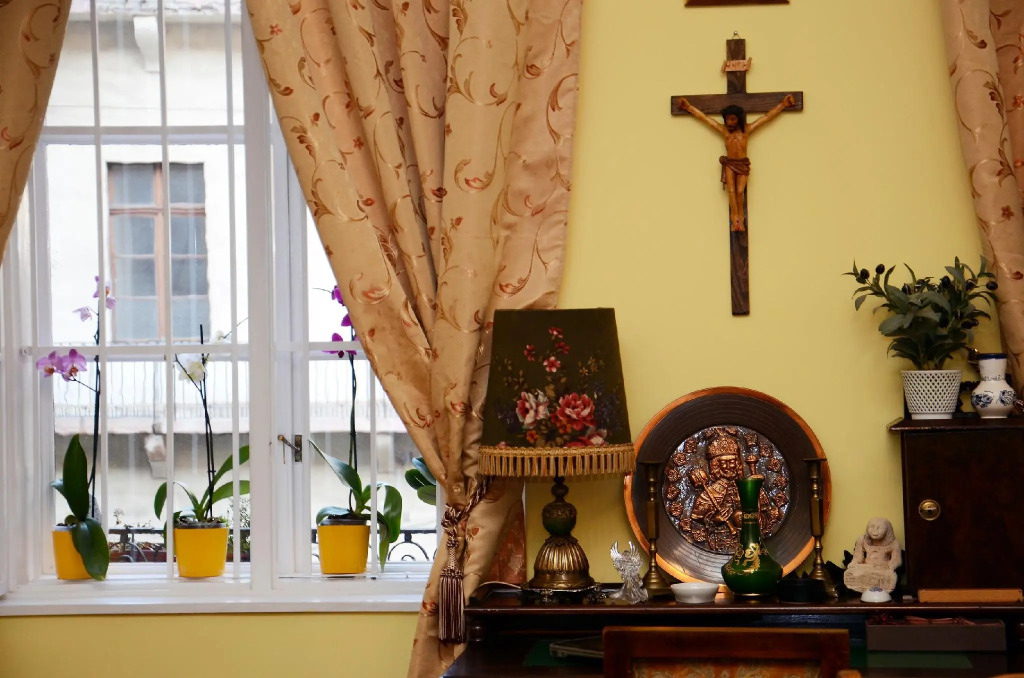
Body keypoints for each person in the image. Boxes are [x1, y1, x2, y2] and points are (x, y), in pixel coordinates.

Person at [676, 94, 796, 232]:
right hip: (729, 164)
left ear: (739, 118)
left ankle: (741, 219)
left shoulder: (746, 130)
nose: (729, 122)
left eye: (732, 119)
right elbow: (705, 119)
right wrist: (689, 107)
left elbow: (766, 118)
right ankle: (735, 220)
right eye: (727, 119)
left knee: (739, 191)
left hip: (742, 164)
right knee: (731, 191)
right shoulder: (724, 131)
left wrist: (783, 105)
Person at [844, 517, 902, 593]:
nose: (874, 530)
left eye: (879, 528)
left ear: (887, 530)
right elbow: (858, 557)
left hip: (882, 568)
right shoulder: (861, 540)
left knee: (890, 576)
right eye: (872, 527)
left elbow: (896, 560)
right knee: (850, 573)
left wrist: (892, 565)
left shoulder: (894, 543)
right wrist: (853, 563)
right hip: (866, 567)